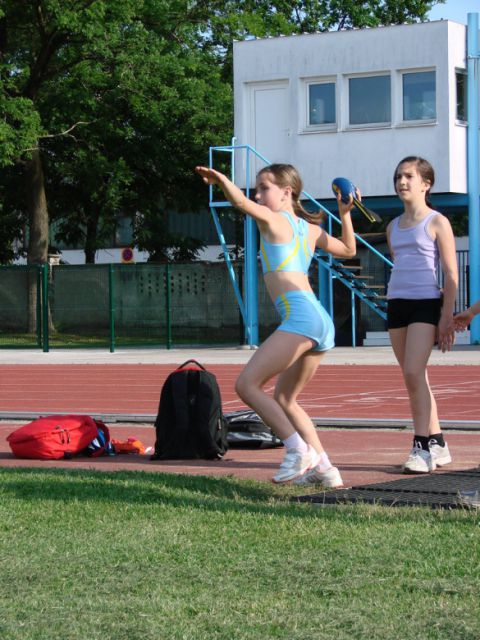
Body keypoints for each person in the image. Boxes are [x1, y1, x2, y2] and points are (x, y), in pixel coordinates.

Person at [195, 162, 357, 486]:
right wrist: (345, 212)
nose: (257, 194)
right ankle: (326, 469)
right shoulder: (310, 230)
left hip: (301, 318)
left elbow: (241, 204)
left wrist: (223, 180)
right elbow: (350, 249)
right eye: (256, 189)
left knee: (246, 385)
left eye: (264, 188)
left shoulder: (274, 221)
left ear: (287, 192)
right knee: (285, 399)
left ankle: (297, 449)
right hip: (320, 321)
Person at [386, 156, 458, 474]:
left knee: (414, 373)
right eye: (398, 176)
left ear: (425, 184)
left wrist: (446, 316)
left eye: (409, 177)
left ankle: (421, 447)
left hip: (425, 305)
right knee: (415, 377)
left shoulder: (437, 222)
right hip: (396, 305)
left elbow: (451, 275)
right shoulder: (392, 227)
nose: (402, 182)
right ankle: (439, 442)